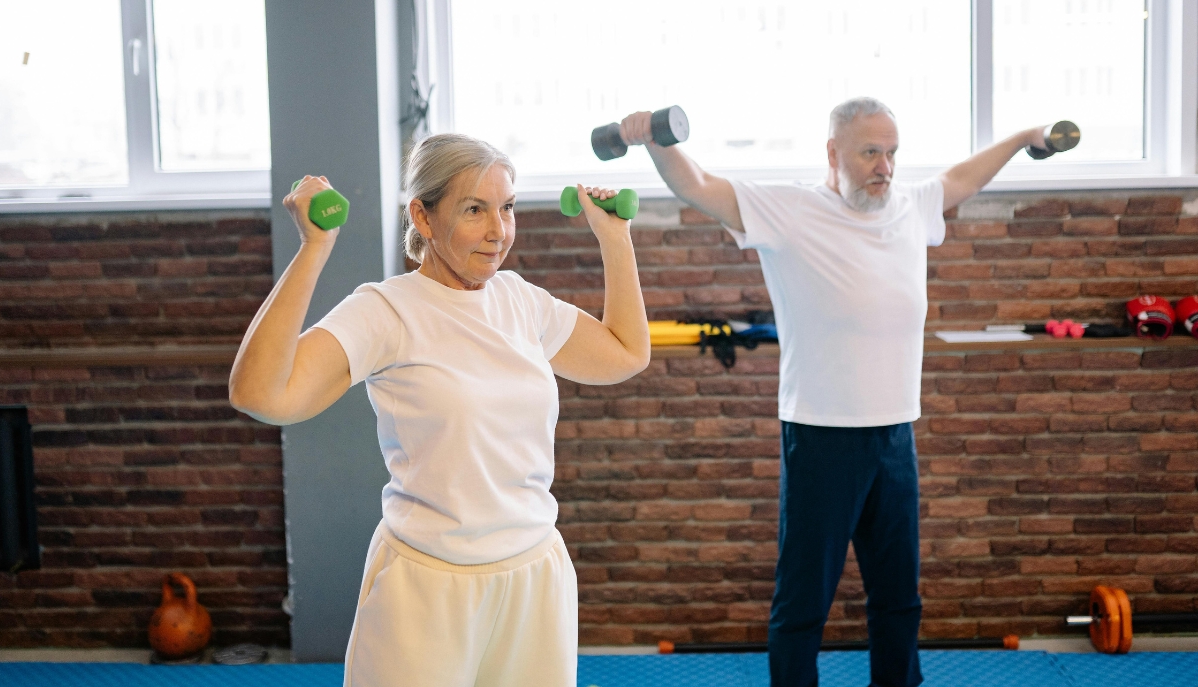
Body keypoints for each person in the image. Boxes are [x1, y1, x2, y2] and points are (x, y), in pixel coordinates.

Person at [616, 97, 1066, 687]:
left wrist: (1023, 136)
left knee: (899, 599)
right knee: (803, 604)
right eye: (871, 152)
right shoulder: (790, 209)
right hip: (821, 435)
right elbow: (696, 185)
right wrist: (653, 138)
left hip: (894, 434)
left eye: (892, 153)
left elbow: (961, 178)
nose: (886, 166)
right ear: (834, 153)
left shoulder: (910, 205)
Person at [228, 133, 650, 687]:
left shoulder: (520, 300)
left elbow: (625, 353)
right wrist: (314, 248)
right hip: (428, 585)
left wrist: (614, 238)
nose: (499, 231)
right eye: (475, 210)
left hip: (534, 574)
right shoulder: (386, 310)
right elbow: (260, 393)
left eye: (507, 208)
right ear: (422, 218)